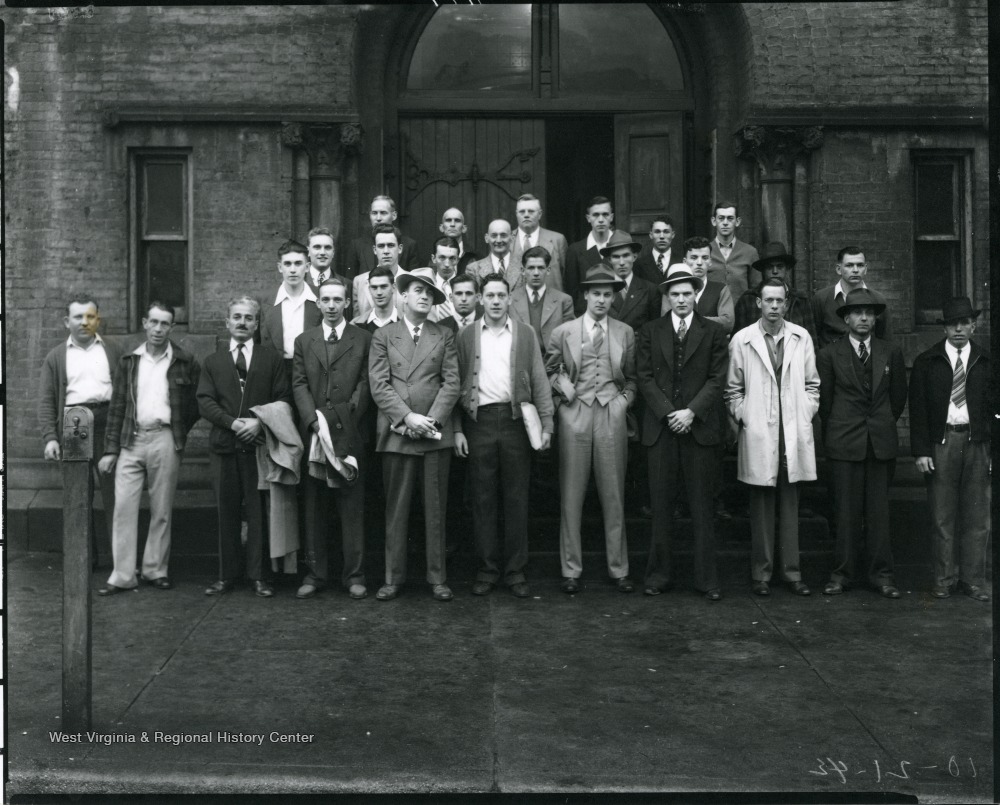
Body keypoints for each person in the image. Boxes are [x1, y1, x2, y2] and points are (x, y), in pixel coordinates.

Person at [453, 273, 554, 598]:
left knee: (516, 498)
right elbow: (454, 385)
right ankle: (487, 569)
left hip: (514, 422)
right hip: (479, 421)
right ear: (481, 299)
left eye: (501, 295)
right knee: (482, 499)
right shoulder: (467, 336)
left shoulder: (524, 334)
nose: (496, 301)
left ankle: (515, 571)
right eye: (490, 295)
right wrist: (457, 429)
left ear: (510, 299)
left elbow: (539, 379)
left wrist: (547, 424)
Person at [368, 267, 461, 601]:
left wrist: (431, 421)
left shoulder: (444, 334)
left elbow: (452, 383)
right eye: (417, 291)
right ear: (402, 296)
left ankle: (437, 578)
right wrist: (408, 417)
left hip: (434, 434)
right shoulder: (384, 335)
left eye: (430, 293)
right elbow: (378, 384)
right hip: (398, 432)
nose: (424, 296)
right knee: (397, 508)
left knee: (435, 509)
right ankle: (393, 577)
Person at [545, 263, 637, 594]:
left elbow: (633, 377)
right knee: (572, 493)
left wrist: (623, 400)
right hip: (575, 413)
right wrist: (562, 388)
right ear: (585, 295)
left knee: (613, 493)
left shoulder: (624, 332)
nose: (601, 300)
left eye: (607, 295)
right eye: (596, 294)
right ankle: (571, 569)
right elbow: (550, 368)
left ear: (614, 298)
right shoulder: (564, 331)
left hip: (610, 412)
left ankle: (619, 568)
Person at [96, 302, 200, 595]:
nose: (158, 329)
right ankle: (122, 575)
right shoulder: (130, 360)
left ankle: (155, 569)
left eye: (164, 324)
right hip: (131, 438)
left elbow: (194, 405)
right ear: (145, 323)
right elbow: (117, 406)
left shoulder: (185, 360)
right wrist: (110, 450)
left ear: (172, 327)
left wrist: (176, 431)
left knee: (161, 508)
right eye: (153, 322)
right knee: (123, 508)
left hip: (164, 438)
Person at [637, 265, 728, 601]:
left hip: (699, 428)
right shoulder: (650, 330)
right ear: (667, 297)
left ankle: (707, 580)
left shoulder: (713, 332)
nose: (681, 299)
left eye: (687, 293)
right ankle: (659, 576)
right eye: (674, 294)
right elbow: (644, 376)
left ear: (696, 295)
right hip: (661, 429)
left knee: (702, 506)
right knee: (661, 506)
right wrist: (668, 413)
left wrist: (691, 412)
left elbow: (717, 379)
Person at [726, 279, 818, 597]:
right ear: (758, 303)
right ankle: (761, 574)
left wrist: (804, 412)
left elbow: (812, 384)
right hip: (760, 431)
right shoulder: (742, 340)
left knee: (790, 503)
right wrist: (745, 416)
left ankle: (792, 573)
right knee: (762, 504)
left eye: (780, 301)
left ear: (787, 303)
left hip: (790, 429)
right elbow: (733, 388)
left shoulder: (801, 337)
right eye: (769, 301)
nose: (774, 307)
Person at [197, 296, 292, 598]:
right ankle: (226, 576)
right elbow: (204, 401)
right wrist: (231, 422)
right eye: (236, 317)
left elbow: (283, 397)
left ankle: (259, 576)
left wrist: (258, 423)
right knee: (226, 511)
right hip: (224, 446)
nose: (242, 322)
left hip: (258, 447)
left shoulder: (270, 358)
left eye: (249, 318)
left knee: (257, 511)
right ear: (227, 322)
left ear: (256, 323)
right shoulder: (212, 362)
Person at [817, 288, 906, 599]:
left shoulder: (890, 351)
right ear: (846, 318)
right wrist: (842, 430)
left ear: (876, 317)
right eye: (857, 312)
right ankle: (841, 575)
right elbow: (825, 403)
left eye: (869, 313)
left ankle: (883, 576)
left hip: (880, 442)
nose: (864, 317)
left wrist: (879, 425)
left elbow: (897, 399)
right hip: (843, 441)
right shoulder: (829, 354)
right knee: (845, 513)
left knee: (879, 513)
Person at [292, 276, 372, 600]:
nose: (331, 306)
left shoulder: (363, 338)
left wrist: (343, 417)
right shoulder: (304, 340)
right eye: (325, 300)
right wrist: (313, 420)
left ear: (347, 303)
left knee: (351, 506)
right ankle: (315, 574)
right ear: (318, 303)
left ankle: (354, 575)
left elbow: (366, 383)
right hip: (314, 434)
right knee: (314, 507)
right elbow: (298, 383)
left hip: (349, 432)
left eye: (337, 300)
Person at [908, 296, 990, 602]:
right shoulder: (927, 361)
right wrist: (921, 451)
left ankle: (973, 581)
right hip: (942, 443)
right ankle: (943, 579)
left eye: (964, 323)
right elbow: (917, 410)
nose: (958, 329)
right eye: (952, 323)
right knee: (942, 515)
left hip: (976, 442)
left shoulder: (985, 361)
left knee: (977, 515)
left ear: (973, 325)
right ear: (944, 327)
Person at [39, 294, 122, 562]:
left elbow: (124, 393)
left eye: (90, 316)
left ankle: (120, 564)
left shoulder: (113, 350)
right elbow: (46, 401)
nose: (84, 322)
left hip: (108, 421)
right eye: (78, 317)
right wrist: (51, 438)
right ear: (67, 321)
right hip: (74, 423)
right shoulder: (56, 357)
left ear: (98, 319)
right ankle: (84, 560)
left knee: (116, 495)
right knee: (78, 494)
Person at [733, 242, 817, 348]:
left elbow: (811, 343)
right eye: (769, 267)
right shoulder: (748, 299)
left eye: (780, 266)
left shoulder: (800, 300)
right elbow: (738, 343)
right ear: (763, 270)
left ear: (786, 269)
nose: (775, 271)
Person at [260, 240, 322, 375]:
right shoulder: (265, 301)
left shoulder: (321, 297)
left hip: (312, 372)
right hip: (275, 373)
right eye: (287, 264)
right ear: (280, 267)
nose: (293, 270)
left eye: (298, 263)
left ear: (307, 267)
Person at [812, 246, 892, 348]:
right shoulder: (821, 298)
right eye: (849, 265)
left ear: (866, 269)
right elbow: (813, 337)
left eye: (860, 265)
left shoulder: (878, 299)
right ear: (838, 269)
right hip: (831, 361)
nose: (855, 270)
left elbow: (886, 339)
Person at [508, 245, 574, 354]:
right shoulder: (510, 299)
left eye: (540, 268)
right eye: (531, 268)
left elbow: (569, 338)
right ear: (522, 271)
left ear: (548, 270)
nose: (536, 273)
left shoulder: (563, 300)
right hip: (521, 360)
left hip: (552, 364)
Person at [342, 195, 419, 280]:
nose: (378, 218)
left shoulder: (409, 245)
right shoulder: (357, 245)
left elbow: (414, 280)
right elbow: (351, 281)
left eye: (383, 213)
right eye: (374, 213)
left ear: (394, 215)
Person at [602, 230, 660, 333]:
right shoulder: (601, 288)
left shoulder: (650, 289)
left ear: (634, 256)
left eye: (626, 255)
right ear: (609, 260)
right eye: (616, 257)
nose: (621, 262)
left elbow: (654, 330)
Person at [508, 193, 568, 292]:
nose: (526, 215)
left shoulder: (557, 240)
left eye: (531, 211)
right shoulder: (506, 240)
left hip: (550, 303)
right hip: (515, 303)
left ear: (539, 214)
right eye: (522, 211)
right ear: (516, 214)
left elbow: (566, 277)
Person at [564, 196, 615, 310]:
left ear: (611, 217)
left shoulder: (621, 247)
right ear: (588, 218)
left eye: (605, 214)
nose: (601, 219)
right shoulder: (576, 250)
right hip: (586, 315)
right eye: (595, 215)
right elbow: (572, 290)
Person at [352, 224, 405, 322]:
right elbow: (357, 321)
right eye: (381, 246)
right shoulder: (360, 281)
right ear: (374, 250)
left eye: (391, 245)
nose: (386, 251)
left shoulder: (411, 279)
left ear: (400, 248)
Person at [707, 201, 759, 298]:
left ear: (737, 221)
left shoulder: (750, 252)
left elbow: (756, 289)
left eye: (730, 218)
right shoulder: (705, 251)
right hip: (711, 311)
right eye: (721, 218)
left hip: (741, 311)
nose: (725, 223)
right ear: (714, 221)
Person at [684, 237, 735, 333]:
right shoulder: (674, 289)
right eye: (694, 258)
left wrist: (692, 321)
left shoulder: (721, 289)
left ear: (710, 262)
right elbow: (668, 322)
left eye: (704, 258)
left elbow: (728, 323)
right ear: (685, 261)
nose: (699, 263)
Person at [470, 219, 521, 292]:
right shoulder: (473, 269)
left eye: (503, 235)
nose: (499, 240)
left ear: (512, 237)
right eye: (494, 236)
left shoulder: (524, 266)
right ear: (486, 238)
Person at [634, 215, 679, 286]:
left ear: (672, 235)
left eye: (666, 232)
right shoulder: (639, 264)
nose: (661, 236)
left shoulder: (681, 262)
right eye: (657, 232)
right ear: (651, 235)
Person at [353, 265, 399, 332]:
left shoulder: (408, 323)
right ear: (369, 289)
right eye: (374, 287)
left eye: (383, 287)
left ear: (393, 287)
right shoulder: (356, 326)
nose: (379, 292)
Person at [427, 236, 461, 324]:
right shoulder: (428, 286)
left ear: (457, 260)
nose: (446, 264)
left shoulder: (464, 287)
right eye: (442, 258)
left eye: (452, 258)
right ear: (433, 258)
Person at [439, 207, 478, 271]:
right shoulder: (433, 257)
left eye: (457, 220)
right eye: (448, 220)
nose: (452, 224)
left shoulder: (474, 256)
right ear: (442, 227)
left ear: (464, 228)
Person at [304, 227, 339, 296]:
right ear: (308, 251)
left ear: (333, 253)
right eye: (317, 247)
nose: (322, 252)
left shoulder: (346, 284)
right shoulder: (298, 282)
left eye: (327, 247)